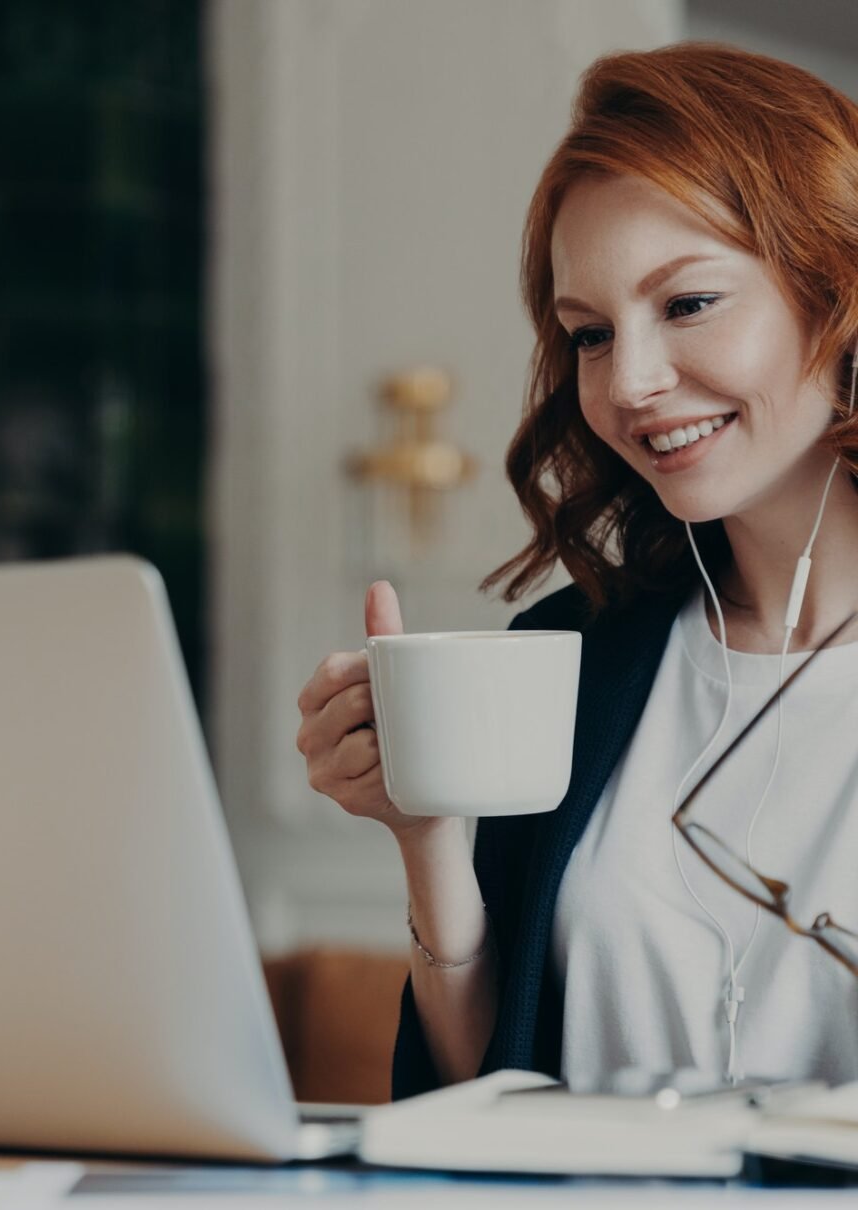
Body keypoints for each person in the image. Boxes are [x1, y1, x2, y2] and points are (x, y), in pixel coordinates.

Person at [295, 42, 858, 1097]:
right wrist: (431, 840)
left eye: (686, 303)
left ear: (838, 294)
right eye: (590, 334)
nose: (631, 382)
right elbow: (479, 1099)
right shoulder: (568, 660)